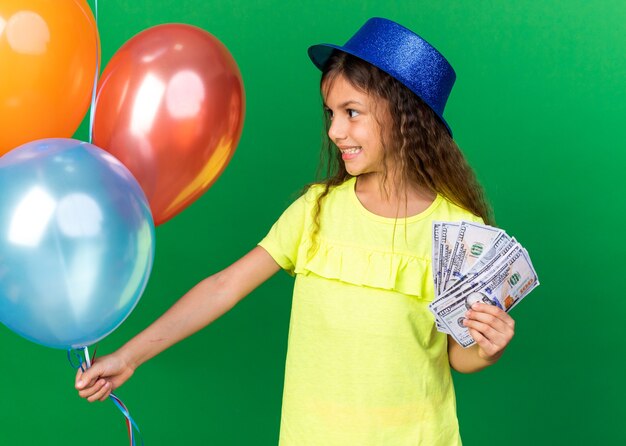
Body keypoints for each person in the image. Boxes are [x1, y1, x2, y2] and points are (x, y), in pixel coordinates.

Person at [76, 17, 515, 445]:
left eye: (351, 113)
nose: (335, 130)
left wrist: (487, 348)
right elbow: (224, 287)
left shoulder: (460, 232)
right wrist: (129, 356)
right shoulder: (316, 211)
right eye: (330, 112)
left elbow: (458, 356)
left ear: (404, 117)